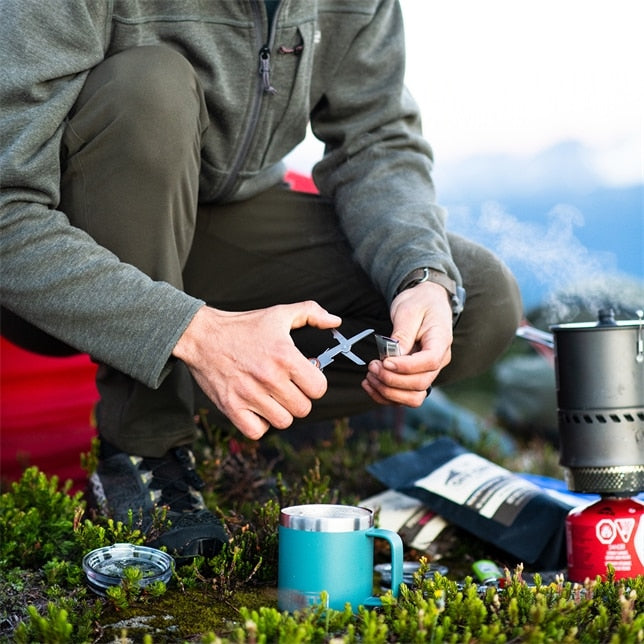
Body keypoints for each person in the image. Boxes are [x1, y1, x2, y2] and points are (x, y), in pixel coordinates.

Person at [0, 1, 522, 558]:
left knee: (477, 299)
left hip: (223, 220)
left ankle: (230, 411)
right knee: (149, 85)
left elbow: (377, 139)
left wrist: (421, 274)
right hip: (65, 241)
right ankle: (145, 446)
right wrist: (196, 333)